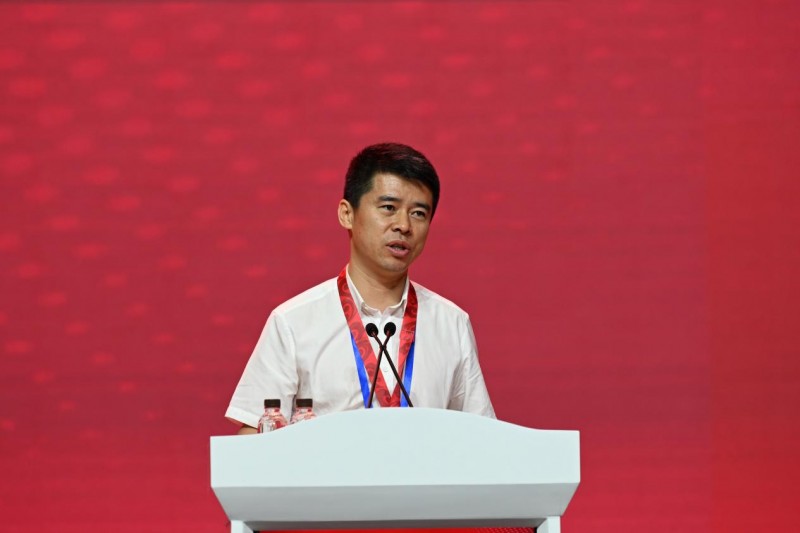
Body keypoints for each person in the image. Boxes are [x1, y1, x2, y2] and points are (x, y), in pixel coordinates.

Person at [226, 143, 494, 434]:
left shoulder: (451, 324)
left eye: (418, 213)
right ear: (347, 214)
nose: (403, 225)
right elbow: (252, 435)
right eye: (389, 208)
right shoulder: (293, 322)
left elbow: (482, 437)